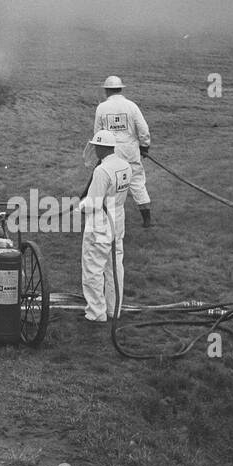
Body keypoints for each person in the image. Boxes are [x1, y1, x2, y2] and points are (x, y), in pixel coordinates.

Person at [79, 129, 132, 324]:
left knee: (93, 267)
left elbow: (92, 203)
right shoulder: (125, 165)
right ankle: (114, 309)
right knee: (115, 266)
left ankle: (96, 313)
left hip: (100, 223)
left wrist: (78, 208)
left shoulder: (102, 170)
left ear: (101, 148)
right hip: (117, 219)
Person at [93, 75, 153, 226]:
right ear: (120, 89)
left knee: (110, 184)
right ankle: (147, 220)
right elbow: (143, 129)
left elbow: (98, 133)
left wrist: (99, 153)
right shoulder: (131, 106)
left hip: (110, 153)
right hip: (130, 151)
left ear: (107, 90)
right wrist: (144, 146)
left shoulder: (102, 108)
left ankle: (107, 219)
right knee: (137, 182)